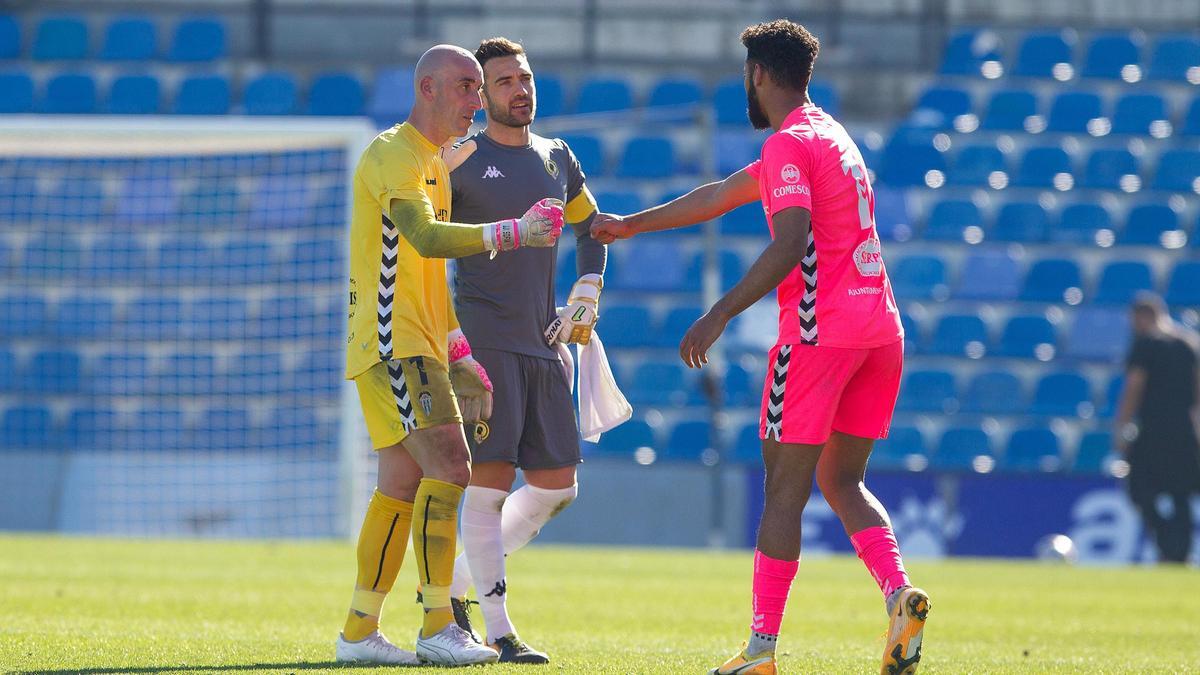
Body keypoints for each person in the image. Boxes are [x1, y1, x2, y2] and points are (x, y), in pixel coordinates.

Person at [592, 19, 929, 675]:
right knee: (842, 478)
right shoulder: (830, 136)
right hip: (880, 330)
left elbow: (790, 240)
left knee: (784, 490)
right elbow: (722, 194)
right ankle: (898, 593)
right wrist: (630, 224)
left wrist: (718, 314)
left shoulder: (788, 146)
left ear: (759, 75)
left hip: (818, 334)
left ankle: (761, 651)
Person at [335, 44, 564, 666]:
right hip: (394, 344)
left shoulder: (435, 162)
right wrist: (514, 230)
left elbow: (424, 275)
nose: (475, 99)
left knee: (401, 486)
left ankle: (359, 632)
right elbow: (428, 239)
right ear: (428, 88)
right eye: (466, 86)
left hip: (420, 342)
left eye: (476, 87)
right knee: (452, 464)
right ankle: (439, 622)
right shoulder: (393, 155)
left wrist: (459, 348)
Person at [433, 36, 607, 664]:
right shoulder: (457, 161)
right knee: (489, 488)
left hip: (541, 343)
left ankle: (456, 583)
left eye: (525, 78)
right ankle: (500, 631)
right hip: (486, 346)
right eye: (504, 81)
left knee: (560, 487)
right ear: (481, 94)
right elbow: (422, 234)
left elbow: (595, 230)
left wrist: (587, 288)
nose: (520, 89)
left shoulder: (558, 158)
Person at [1114, 292, 1200, 564]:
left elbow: (1134, 387)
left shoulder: (1146, 344)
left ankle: (1167, 542)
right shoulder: (1189, 344)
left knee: (1139, 489)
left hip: (1153, 430)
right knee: (1181, 494)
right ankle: (1179, 552)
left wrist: (1121, 426)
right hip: (1184, 432)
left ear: (1143, 316)